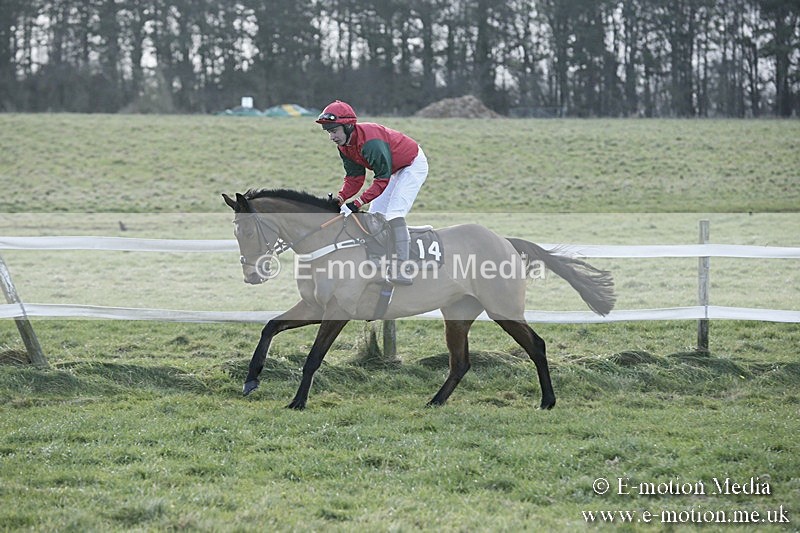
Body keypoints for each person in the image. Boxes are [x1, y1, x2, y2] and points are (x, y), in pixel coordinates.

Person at [316, 100, 428, 286]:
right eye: (329, 132)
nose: (331, 137)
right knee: (375, 215)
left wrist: (357, 203)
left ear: (348, 126)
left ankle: (403, 268)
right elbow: (354, 178)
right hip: (392, 169)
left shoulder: (371, 143)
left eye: (334, 131)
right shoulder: (344, 146)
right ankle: (379, 257)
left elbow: (382, 179)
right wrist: (340, 198)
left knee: (394, 213)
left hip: (412, 164)